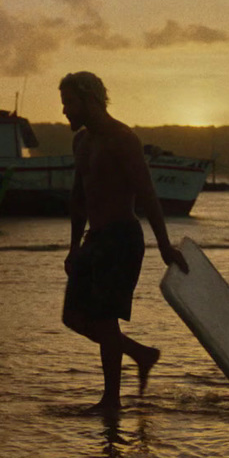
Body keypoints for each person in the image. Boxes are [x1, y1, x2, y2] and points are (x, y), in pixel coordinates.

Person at [59, 71, 188, 414]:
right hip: (94, 239)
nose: (65, 111)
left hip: (121, 238)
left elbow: (146, 194)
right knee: (72, 316)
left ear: (90, 101)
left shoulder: (123, 139)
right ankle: (140, 354)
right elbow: (78, 197)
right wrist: (74, 247)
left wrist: (164, 245)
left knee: (104, 319)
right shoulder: (81, 142)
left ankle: (111, 401)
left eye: (69, 103)